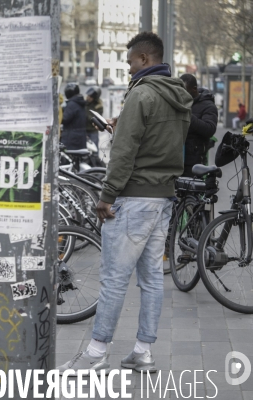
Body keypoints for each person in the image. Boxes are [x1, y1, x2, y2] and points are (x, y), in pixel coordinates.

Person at [57, 32, 192, 374]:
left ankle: (96, 352)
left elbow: (125, 151)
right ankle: (143, 352)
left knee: (114, 279)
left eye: (130, 61)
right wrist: (122, 127)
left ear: (145, 59)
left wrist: (106, 196)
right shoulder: (177, 95)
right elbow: (163, 142)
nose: (128, 67)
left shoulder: (141, 94)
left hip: (134, 197)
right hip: (163, 197)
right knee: (151, 280)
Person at [179, 74, 218, 177]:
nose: (182, 95)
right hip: (177, 159)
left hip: (194, 161)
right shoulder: (181, 102)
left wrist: (188, 115)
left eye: (185, 92)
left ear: (194, 89)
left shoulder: (208, 105)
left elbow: (209, 129)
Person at [61, 83, 87, 150]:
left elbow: (64, 119)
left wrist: (60, 112)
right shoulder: (80, 102)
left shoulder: (71, 104)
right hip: (80, 137)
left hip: (71, 138)